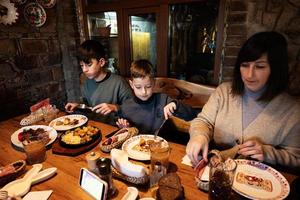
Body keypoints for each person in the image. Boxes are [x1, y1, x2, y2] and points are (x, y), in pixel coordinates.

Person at [186, 31, 300, 170]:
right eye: (245, 65)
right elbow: (203, 121)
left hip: (256, 180)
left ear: (276, 69)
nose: (249, 74)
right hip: (214, 172)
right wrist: (199, 136)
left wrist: (268, 153)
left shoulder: (293, 111)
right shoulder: (224, 92)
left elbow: (296, 158)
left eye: (260, 66)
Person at [116, 59, 197, 134]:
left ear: (154, 83)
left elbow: (192, 115)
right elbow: (126, 133)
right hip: (137, 146)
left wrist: (175, 105)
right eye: (138, 87)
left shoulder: (163, 100)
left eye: (148, 86)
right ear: (131, 84)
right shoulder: (125, 107)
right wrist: (126, 129)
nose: (144, 92)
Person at [65, 40, 133, 124]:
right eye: (82, 65)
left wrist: (115, 107)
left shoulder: (118, 82)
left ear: (101, 62)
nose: (84, 69)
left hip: (113, 128)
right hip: (93, 126)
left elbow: (133, 107)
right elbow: (87, 104)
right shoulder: (87, 82)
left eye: (89, 65)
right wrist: (77, 106)